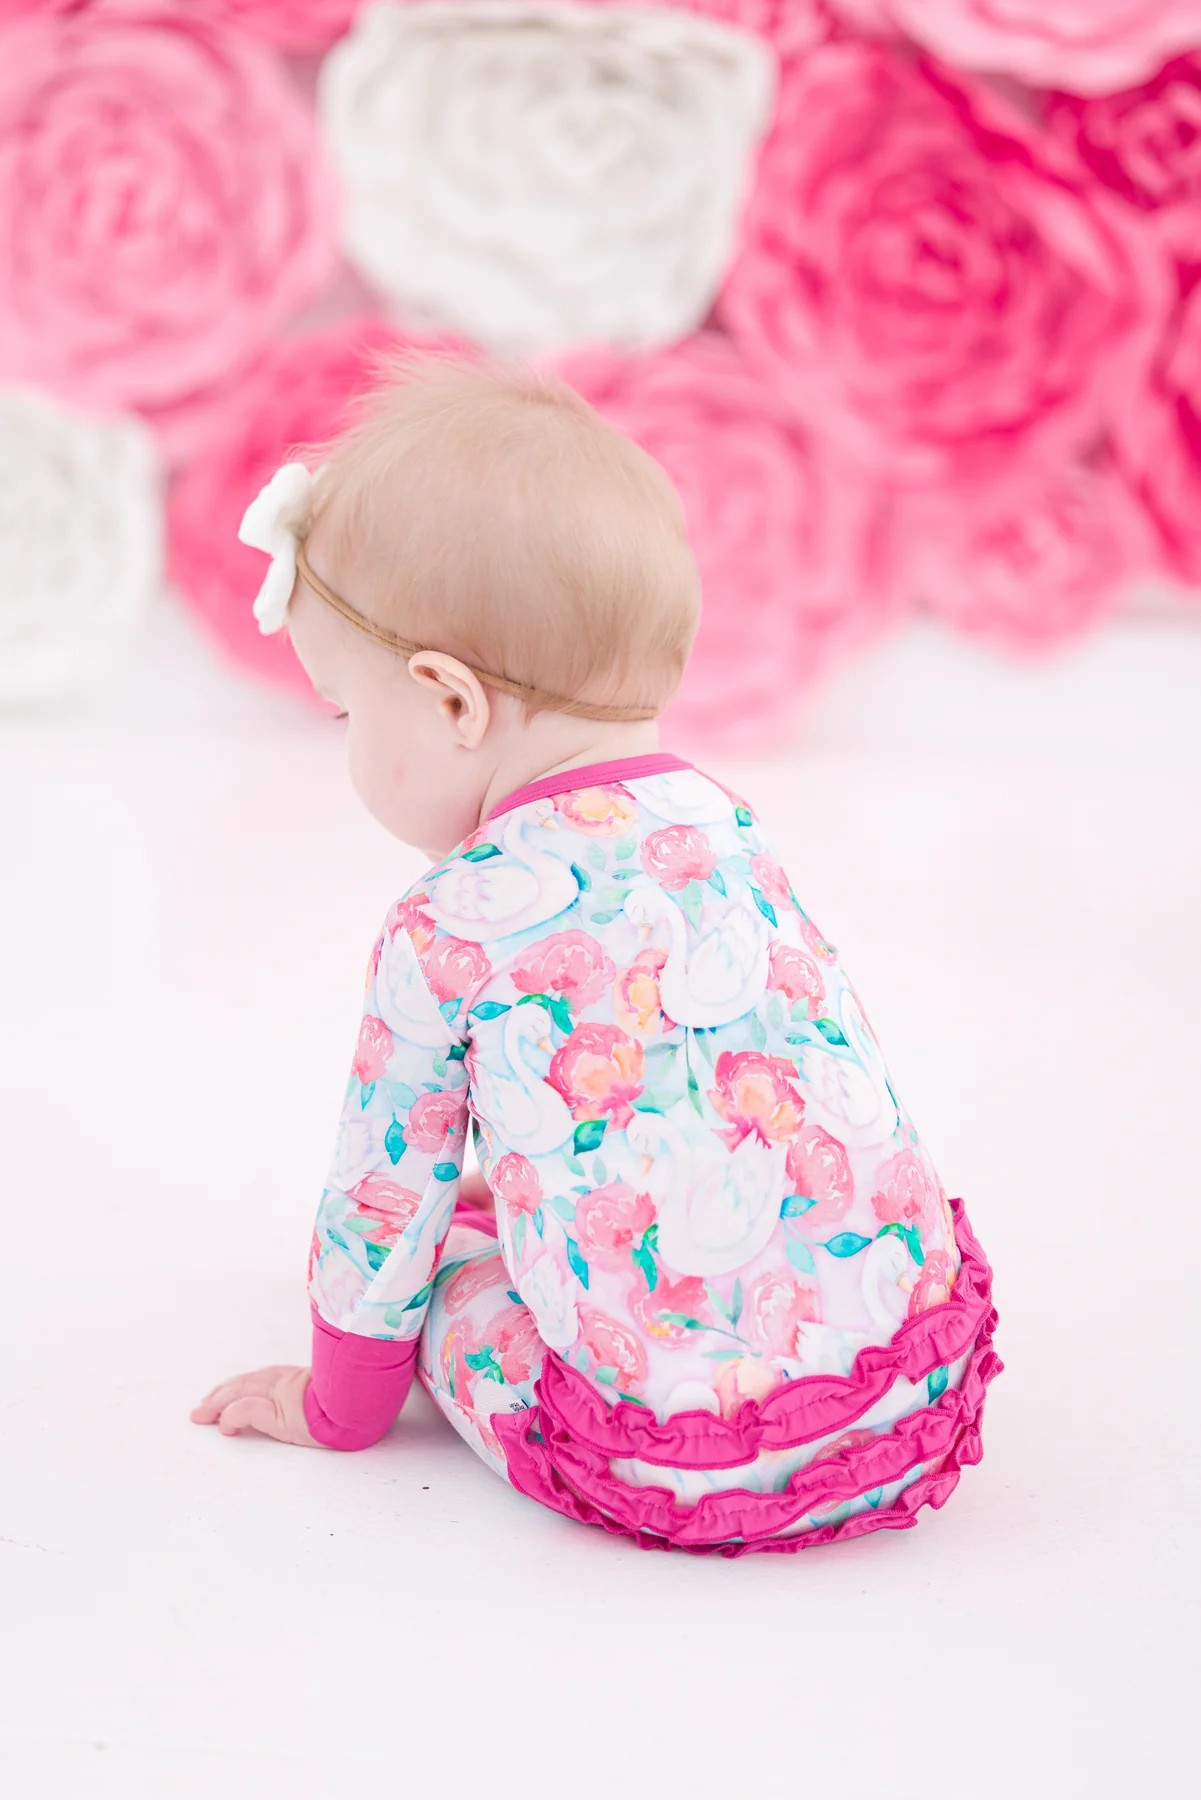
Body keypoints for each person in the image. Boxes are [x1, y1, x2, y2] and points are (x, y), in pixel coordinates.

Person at [191, 355, 1000, 1554]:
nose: (346, 743)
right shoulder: (726, 829)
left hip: (668, 1460)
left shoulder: (444, 924)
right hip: (906, 1398)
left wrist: (340, 1405)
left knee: (438, 1282)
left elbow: (385, 1196)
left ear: (450, 702)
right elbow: (734, 1073)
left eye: (346, 712)